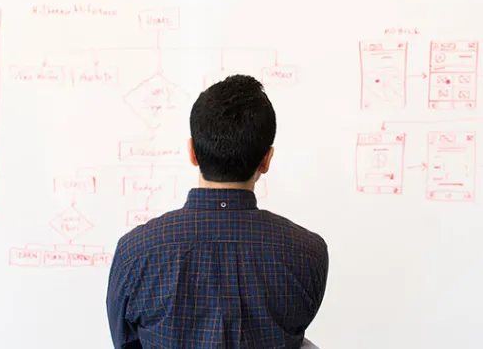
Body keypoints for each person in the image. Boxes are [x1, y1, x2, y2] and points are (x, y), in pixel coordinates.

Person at [106, 74, 329, 348]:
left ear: (192, 152)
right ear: (267, 160)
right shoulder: (308, 252)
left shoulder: (135, 252)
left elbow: (125, 342)